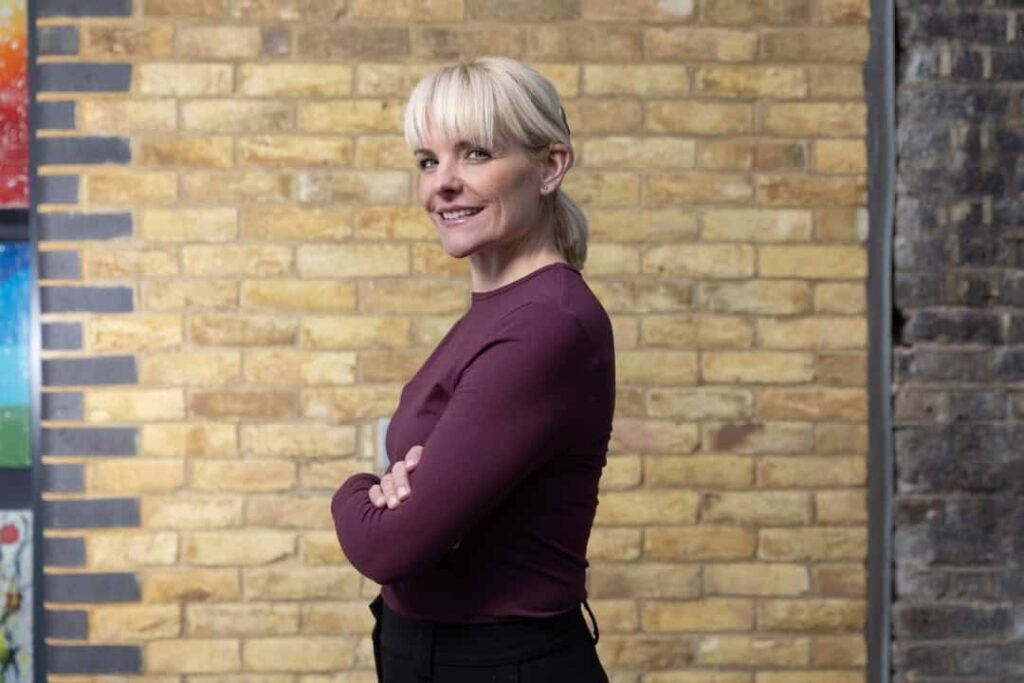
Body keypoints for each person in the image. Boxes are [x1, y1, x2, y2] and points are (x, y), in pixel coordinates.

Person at [331, 56, 615, 683]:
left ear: (550, 166)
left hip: (497, 664)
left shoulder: (547, 323)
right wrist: (396, 496)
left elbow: (390, 546)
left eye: (476, 154)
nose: (444, 183)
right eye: (428, 161)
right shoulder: (498, 313)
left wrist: (354, 492)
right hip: (437, 654)